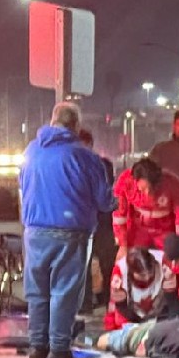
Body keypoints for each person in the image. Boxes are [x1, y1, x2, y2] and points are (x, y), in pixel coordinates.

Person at [19, 102, 115, 358]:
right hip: (69, 232)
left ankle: (37, 347)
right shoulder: (83, 156)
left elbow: (22, 187)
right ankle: (59, 350)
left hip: (34, 232)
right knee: (64, 291)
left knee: (38, 292)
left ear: (52, 121)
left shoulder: (31, 151)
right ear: (76, 125)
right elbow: (104, 200)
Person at [112, 157, 179, 260]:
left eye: (152, 188)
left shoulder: (173, 184)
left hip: (165, 230)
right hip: (138, 229)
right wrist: (123, 245)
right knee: (130, 260)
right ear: (135, 180)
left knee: (175, 260)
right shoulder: (126, 182)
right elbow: (119, 216)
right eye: (143, 189)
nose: (148, 193)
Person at [78, 129, 116, 313]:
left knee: (108, 265)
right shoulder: (72, 167)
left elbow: (105, 192)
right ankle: (85, 305)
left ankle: (111, 302)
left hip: (102, 223)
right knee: (82, 268)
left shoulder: (103, 165)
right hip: (83, 224)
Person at [102, 247, 179, 331]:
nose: (147, 278)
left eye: (150, 273)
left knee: (170, 282)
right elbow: (118, 308)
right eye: (142, 275)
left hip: (160, 310)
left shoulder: (163, 261)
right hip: (131, 313)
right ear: (131, 271)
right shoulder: (120, 271)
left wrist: (171, 277)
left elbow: (174, 300)